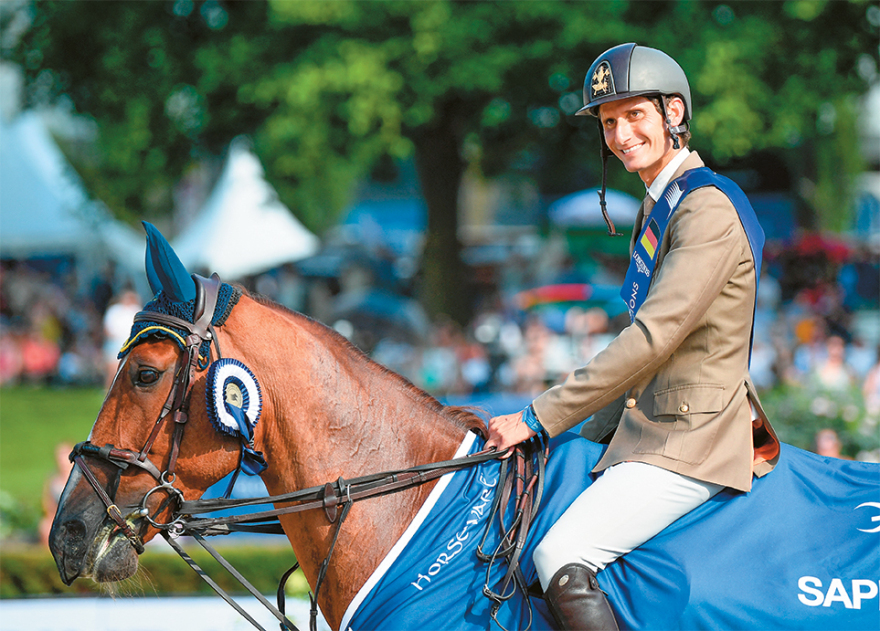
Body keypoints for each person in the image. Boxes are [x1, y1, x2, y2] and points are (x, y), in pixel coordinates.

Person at [485, 43, 780, 630]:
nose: (620, 136)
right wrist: (563, 438)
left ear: (674, 113)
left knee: (558, 555)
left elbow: (651, 339)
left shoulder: (705, 210)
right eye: (609, 122)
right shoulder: (661, 207)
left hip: (691, 436)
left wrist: (538, 418)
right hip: (649, 429)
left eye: (634, 116)